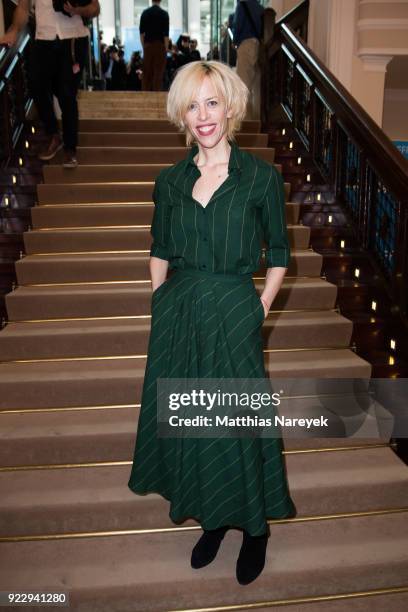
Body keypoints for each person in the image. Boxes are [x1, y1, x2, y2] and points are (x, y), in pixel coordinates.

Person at [127, 60, 296, 586]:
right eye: (192, 105)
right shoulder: (170, 181)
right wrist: (161, 304)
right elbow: (159, 249)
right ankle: (214, 519)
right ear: (182, 114)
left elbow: (280, 252)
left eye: (212, 103)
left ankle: (255, 527)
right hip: (179, 318)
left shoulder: (260, 178)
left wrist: (261, 307)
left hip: (232, 313)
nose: (203, 116)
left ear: (230, 107)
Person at [0, 0, 100, 168]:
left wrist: (78, 10)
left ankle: (70, 150)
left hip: (74, 38)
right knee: (35, 84)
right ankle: (54, 133)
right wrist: (14, 30)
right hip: (44, 38)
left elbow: (95, 8)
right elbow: (23, 7)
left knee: (66, 94)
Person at [232, 0, 264, 119]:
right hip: (257, 45)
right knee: (255, 83)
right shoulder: (260, 8)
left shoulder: (242, 5)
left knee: (243, 82)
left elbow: (237, 25)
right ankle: (256, 117)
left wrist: (234, 41)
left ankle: (244, 118)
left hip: (245, 43)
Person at [139, 0, 169, 91]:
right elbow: (166, 35)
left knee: (147, 73)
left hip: (148, 45)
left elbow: (141, 33)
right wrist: (166, 49)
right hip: (160, 46)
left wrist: (144, 46)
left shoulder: (145, 13)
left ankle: (145, 95)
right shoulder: (164, 14)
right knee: (158, 73)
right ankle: (156, 96)